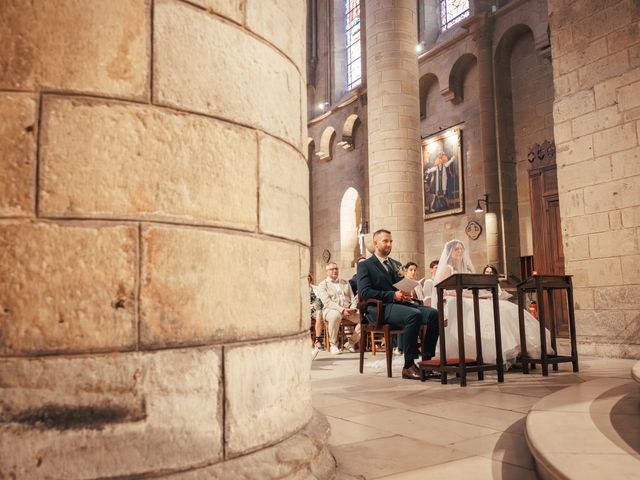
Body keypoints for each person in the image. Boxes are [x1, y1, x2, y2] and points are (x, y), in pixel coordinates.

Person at [432, 240, 553, 366]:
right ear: (450, 252)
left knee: (505, 307)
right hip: (454, 299)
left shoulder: (466, 268)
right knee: (483, 311)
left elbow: (470, 287)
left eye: (461, 249)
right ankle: (491, 351)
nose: (460, 251)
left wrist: (479, 295)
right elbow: (444, 290)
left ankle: (519, 348)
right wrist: (469, 296)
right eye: (456, 249)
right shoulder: (447, 268)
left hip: (469, 296)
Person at [357, 229, 440, 380]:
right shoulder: (366, 265)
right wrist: (392, 295)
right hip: (378, 308)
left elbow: (399, 285)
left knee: (434, 314)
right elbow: (364, 292)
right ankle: (408, 366)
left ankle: (427, 363)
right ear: (376, 243)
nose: (389, 244)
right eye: (385, 241)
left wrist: (406, 292)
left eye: (391, 241)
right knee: (413, 315)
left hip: (399, 304)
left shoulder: (396, 264)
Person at [317, 262, 361, 354]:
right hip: (331, 310)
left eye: (336, 269)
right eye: (332, 269)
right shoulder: (322, 285)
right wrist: (342, 310)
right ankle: (333, 345)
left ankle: (351, 343)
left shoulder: (345, 282)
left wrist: (352, 308)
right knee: (335, 315)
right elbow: (327, 302)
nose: (334, 271)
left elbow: (352, 297)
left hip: (348, 310)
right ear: (327, 272)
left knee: (364, 318)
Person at [308, 273, 324, 360]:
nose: (307, 279)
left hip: (315, 309)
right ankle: (309, 345)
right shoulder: (298, 289)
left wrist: (314, 305)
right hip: (304, 311)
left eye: (308, 278)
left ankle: (317, 340)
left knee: (319, 315)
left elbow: (319, 301)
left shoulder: (316, 288)